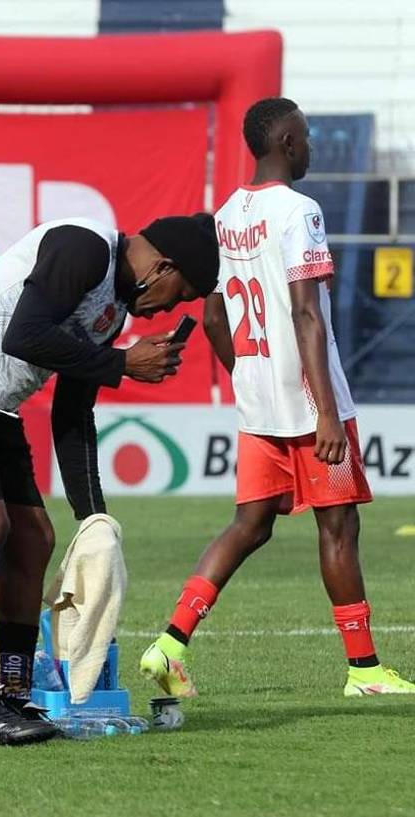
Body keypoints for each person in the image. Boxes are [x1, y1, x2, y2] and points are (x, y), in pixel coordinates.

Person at [0, 214, 219, 746]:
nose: (172, 308)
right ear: (162, 267)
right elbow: (25, 334)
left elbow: (71, 413)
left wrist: (94, 519)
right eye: (182, 294)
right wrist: (120, 363)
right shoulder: (83, 246)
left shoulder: (112, 315)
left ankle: (12, 696)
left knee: (36, 536)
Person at [140, 98, 415, 699]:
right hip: (309, 402)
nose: (312, 147)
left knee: (249, 525)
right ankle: (365, 671)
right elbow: (306, 313)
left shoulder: (227, 215)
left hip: (258, 403)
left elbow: (215, 317)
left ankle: (169, 642)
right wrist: (323, 410)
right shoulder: (301, 211)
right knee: (339, 528)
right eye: (308, 138)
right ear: (288, 142)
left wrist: (248, 378)